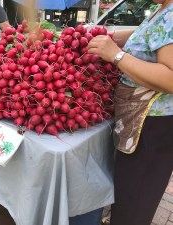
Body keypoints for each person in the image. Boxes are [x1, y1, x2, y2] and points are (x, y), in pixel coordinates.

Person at [87, 0, 173, 225]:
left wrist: (117, 56)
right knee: (127, 189)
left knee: (136, 197)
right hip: (138, 121)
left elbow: (171, 78)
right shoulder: (162, 8)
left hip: (154, 126)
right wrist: (104, 35)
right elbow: (151, 35)